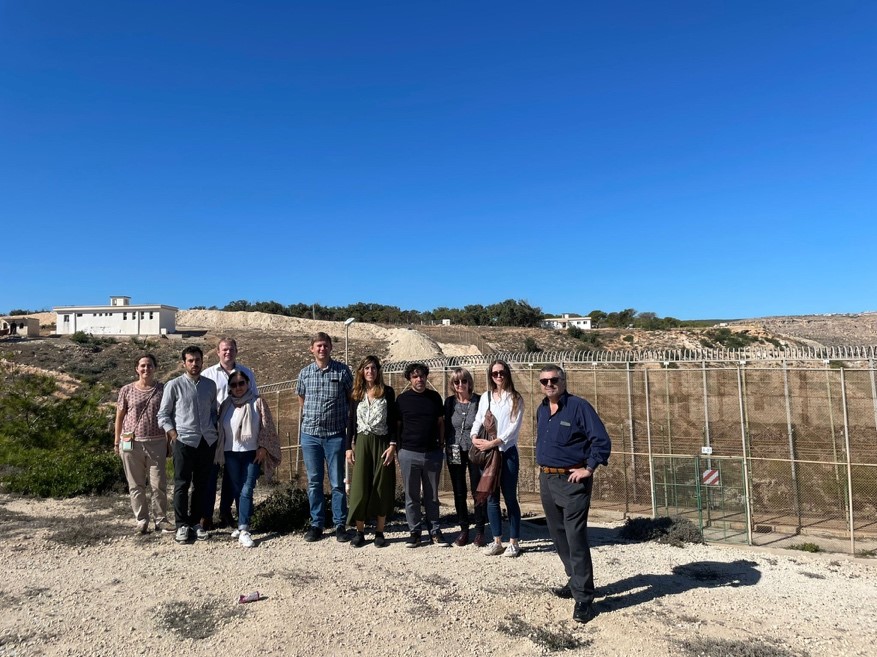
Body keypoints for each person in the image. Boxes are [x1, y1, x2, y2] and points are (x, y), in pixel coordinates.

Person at [536, 364, 611, 624]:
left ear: (563, 380)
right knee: (558, 535)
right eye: (544, 380)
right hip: (547, 478)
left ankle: (584, 599)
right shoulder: (542, 409)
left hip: (571, 481)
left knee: (575, 537)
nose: (549, 384)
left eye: (553, 379)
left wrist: (589, 468)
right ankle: (575, 580)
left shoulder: (579, 407)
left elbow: (601, 440)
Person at [157, 346, 219, 544]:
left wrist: (214, 432)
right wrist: (173, 434)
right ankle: (181, 524)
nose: (195, 364)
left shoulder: (210, 385)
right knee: (182, 484)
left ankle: (195, 523)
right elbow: (163, 414)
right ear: (184, 363)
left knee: (201, 484)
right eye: (190, 361)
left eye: (198, 360)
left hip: (206, 442)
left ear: (202, 361)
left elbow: (212, 411)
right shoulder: (173, 385)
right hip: (184, 441)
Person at [296, 332, 353, 542]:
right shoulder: (304, 374)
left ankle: (340, 524)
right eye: (318, 346)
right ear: (312, 349)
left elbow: (350, 399)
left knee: (337, 482)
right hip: (310, 436)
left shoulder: (342, 371)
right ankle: (316, 524)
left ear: (331, 348)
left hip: (335, 436)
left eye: (325, 345)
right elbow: (302, 399)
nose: (322, 349)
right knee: (314, 482)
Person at [215, 369, 281, 548]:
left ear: (248, 384)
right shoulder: (226, 405)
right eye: (234, 384)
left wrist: (263, 448)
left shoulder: (257, 402)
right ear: (229, 387)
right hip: (231, 453)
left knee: (247, 488)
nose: (238, 387)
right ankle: (242, 522)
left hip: (252, 453)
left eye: (241, 383)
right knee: (237, 489)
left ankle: (244, 528)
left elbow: (267, 427)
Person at [201, 336, 258, 529]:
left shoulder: (246, 373)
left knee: (232, 478)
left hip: (239, 434)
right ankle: (206, 515)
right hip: (213, 432)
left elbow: (254, 400)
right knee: (210, 475)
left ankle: (228, 513)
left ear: (236, 351)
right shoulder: (208, 374)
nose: (228, 352)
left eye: (231, 349)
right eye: (224, 349)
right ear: (217, 352)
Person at [471, 359, 524, 557]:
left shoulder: (516, 399)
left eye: (501, 372)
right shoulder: (486, 397)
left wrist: (494, 443)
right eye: (495, 373)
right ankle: (496, 541)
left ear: (507, 373)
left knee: (510, 497)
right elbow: (478, 418)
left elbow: (513, 427)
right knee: (491, 497)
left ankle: (514, 542)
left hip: (506, 452)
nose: (499, 376)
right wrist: (474, 437)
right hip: (488, 454)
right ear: (490, 376)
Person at [114, 353, 171, 534]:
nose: (146, 369)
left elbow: (168, 414)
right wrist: (117, 442)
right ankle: (142, 520)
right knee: (135, 484)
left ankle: (161, 519)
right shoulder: (126, 390)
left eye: (149, 365)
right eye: (142, 365)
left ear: (155, 367)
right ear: (136, 369)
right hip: (131, 442)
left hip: (157, 442)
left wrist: (169, 440)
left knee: (158, 484)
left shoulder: (163, 389)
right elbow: (120, 416)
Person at [345, 356, 397, 548]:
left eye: (373, 368)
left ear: (378, 371)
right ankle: (359, 532)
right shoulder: (356, 394)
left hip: (382, 443)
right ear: (361, 371)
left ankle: (379, 532)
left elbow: (393, 421)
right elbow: (350, 423)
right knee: (359, 487)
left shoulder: (387, 392)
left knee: (381, 486)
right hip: (362, 443)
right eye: (366, 368)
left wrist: (392, 445)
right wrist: (348, 448)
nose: (370, 371)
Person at [396, 362, 447, 548]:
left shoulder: (434, 398)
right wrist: (400, 450)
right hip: (409, 453)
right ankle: (415, 532)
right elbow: (398, 426)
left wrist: (441, 444)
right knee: (411, 496)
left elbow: (441, 422)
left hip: (432, 454)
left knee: (432, 496)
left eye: (422, 376)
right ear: (410, 379)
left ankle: (435, 530)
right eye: (415, 376)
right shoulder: (402, 399)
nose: (419, 379)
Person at [443, 367, 486, 547]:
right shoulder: (449, 403)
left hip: (475, 450)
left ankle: (480, 530)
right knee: (459, 490)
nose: (460, 385)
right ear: (453, 385)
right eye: (456, 382)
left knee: (478, 490)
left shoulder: (479, 401)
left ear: (469, 382)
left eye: (464, 381)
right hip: (454, 449)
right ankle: (463, 528)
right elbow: (445, 425)